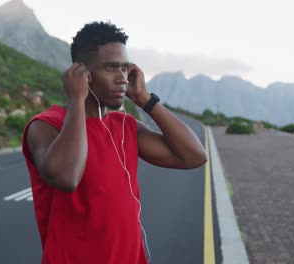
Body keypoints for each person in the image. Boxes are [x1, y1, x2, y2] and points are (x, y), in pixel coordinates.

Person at [22, 21, 207, 264]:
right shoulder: (46, 126)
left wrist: (144, 99)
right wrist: (77, 99)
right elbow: (66, 177)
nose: (122, 78)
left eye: (125, 68)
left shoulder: (125, 126)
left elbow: (194, 156)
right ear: (81, 73)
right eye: (110, 67)